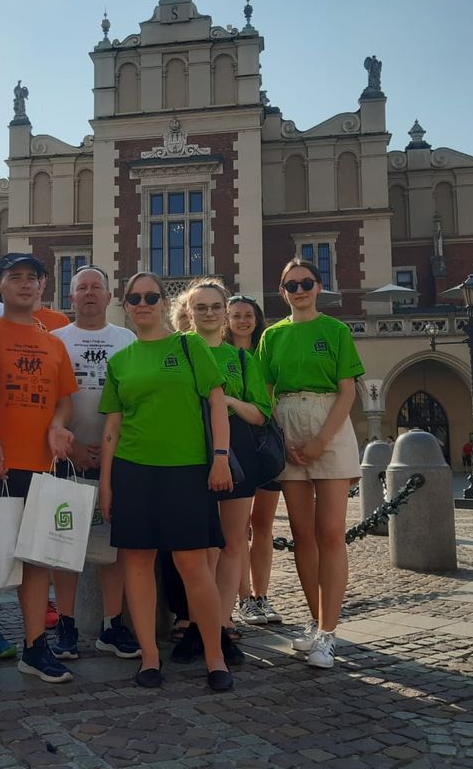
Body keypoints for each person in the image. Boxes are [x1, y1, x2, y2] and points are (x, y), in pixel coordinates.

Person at [99, 271, 234, 692]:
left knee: (193, 565)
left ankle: (215, 656)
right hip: (133, 470)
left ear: (162, 302)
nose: (142, 303)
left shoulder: (189, 344)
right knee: (137, 564)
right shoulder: (121, 360)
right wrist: (106, 484)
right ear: (125, 305)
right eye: (134, 297)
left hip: (187, 469)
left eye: (150, 296)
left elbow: (216, 404)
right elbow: (112, 429)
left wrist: (220, 458)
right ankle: (150, 657)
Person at [0, 253, 78, 687]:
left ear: (43, 286)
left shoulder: (54, 343)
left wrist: (58, 427)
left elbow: (65, 398)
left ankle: (35, 647)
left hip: (40, 466)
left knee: (36, 563)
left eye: (33, 278)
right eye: (15, 278)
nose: (25, 285)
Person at [257, 258, 364, 670]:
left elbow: (348, 391)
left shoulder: (335, 331)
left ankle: (329, 632)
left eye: (306, 283)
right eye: (290, 285)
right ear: (282, 292)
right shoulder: (272, 336)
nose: (299, 290)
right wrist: (283, 439)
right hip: (287, 424)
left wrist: (321, 440)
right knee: (303, 535)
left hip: (328, 424)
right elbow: (266, 392)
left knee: (331, 532)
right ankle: (316, 623)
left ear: (319, 287)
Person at [170, 279, 271, 667]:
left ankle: (220, 623)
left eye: (216, 307)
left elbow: (261, 412)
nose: (209, 313)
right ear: (189, 313)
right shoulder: (177, 353)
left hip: (238, 451)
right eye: (201, 308)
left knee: (231, 545)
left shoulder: (241, 359)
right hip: (190, 452)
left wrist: (224, 398)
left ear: (225, 312)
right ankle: (200, 623)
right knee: (200, 547)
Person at [49, 266, 140, 660]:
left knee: (112, 547)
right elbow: (48, 404)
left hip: (116, 460)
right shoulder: (54, 341)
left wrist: (112, 451)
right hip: (65, 459)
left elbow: (135, 402)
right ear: (70, 298)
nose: (89, 293)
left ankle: (112, 625)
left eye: (96, 288)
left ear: (108, 297)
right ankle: (66, 625)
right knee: (64, 545)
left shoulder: (127, 339)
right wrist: (70, 447)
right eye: (81, 288)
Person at [226, 293, 284, 627]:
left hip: (266, 443)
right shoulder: (220, 354)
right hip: (238, 445)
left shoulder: (266, 354)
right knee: (239, 528)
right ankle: (244, 598)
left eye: (249, 314)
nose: (243, 320)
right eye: (236, 314)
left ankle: (262, 596)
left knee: (262, 526)